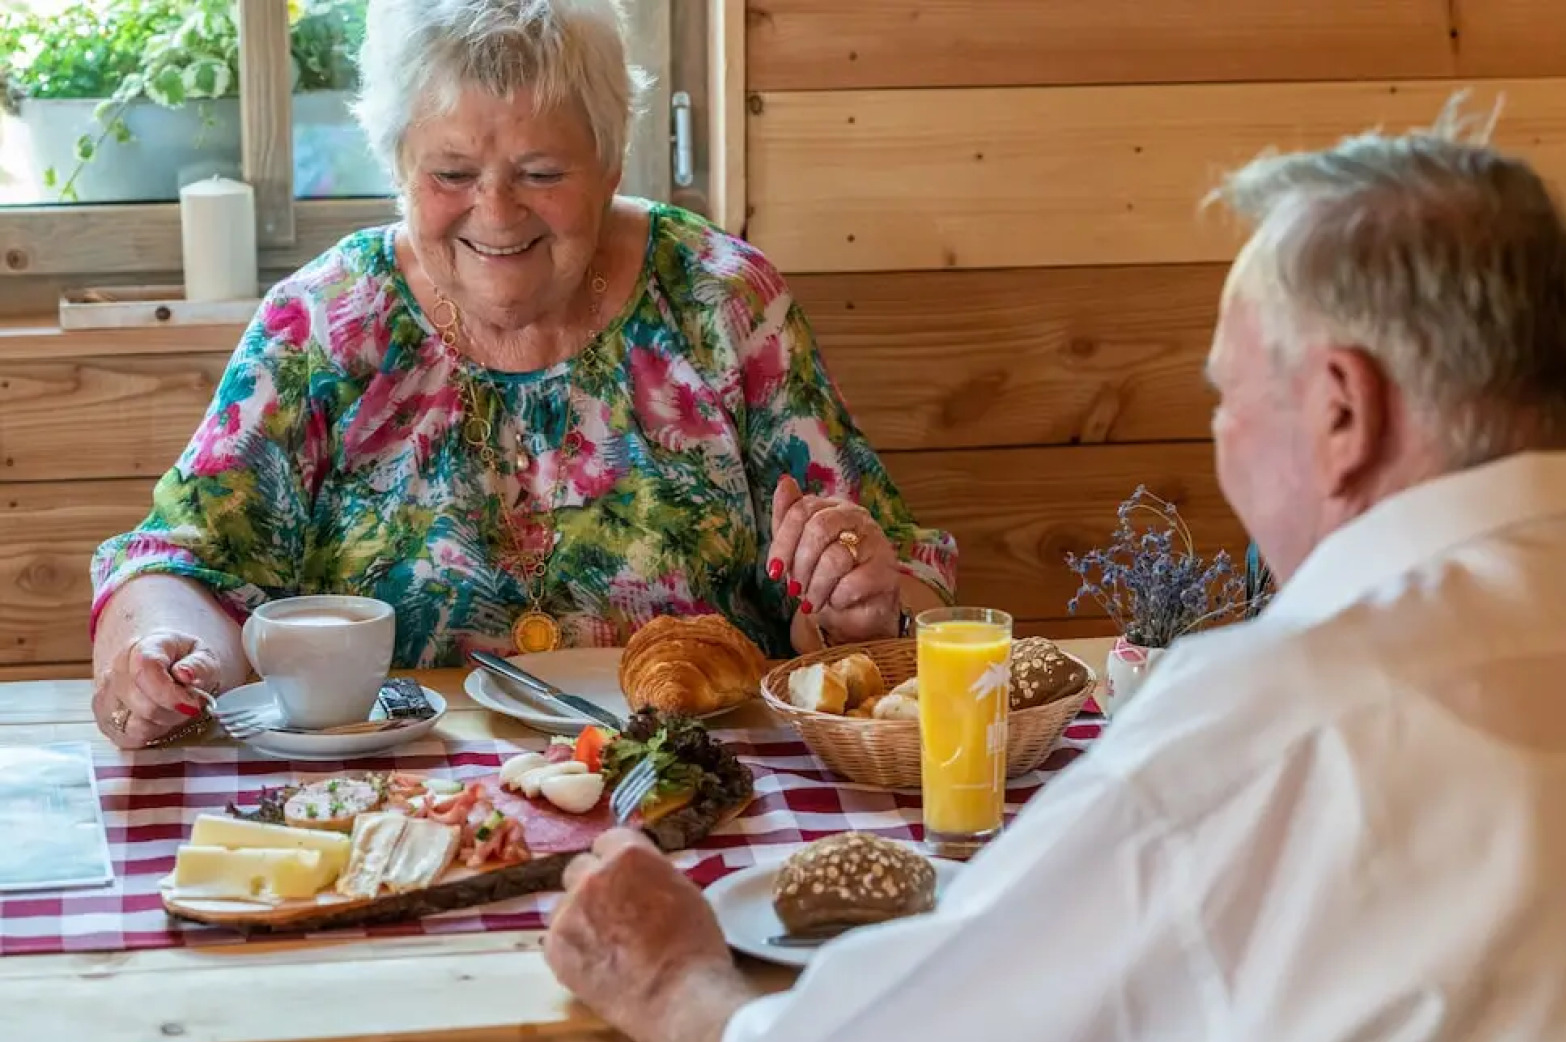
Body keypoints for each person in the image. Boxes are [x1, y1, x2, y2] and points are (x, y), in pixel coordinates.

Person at [543, 98, 1566, 1042]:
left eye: (1228, 396)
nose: (1221, 438)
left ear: (1341, 412)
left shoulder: (1278, 722)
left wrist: (668, 982)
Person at [86, 0, 956, 749]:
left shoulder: (720, 301)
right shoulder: (324, 324)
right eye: (452, 173)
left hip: (698, 783)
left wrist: (858, 604)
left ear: (612, 163)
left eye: (541, 173)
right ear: (397, 168)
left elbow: (876, 581)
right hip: (397, 799)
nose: (496, 214)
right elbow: (182, 561)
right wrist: (163, 648)